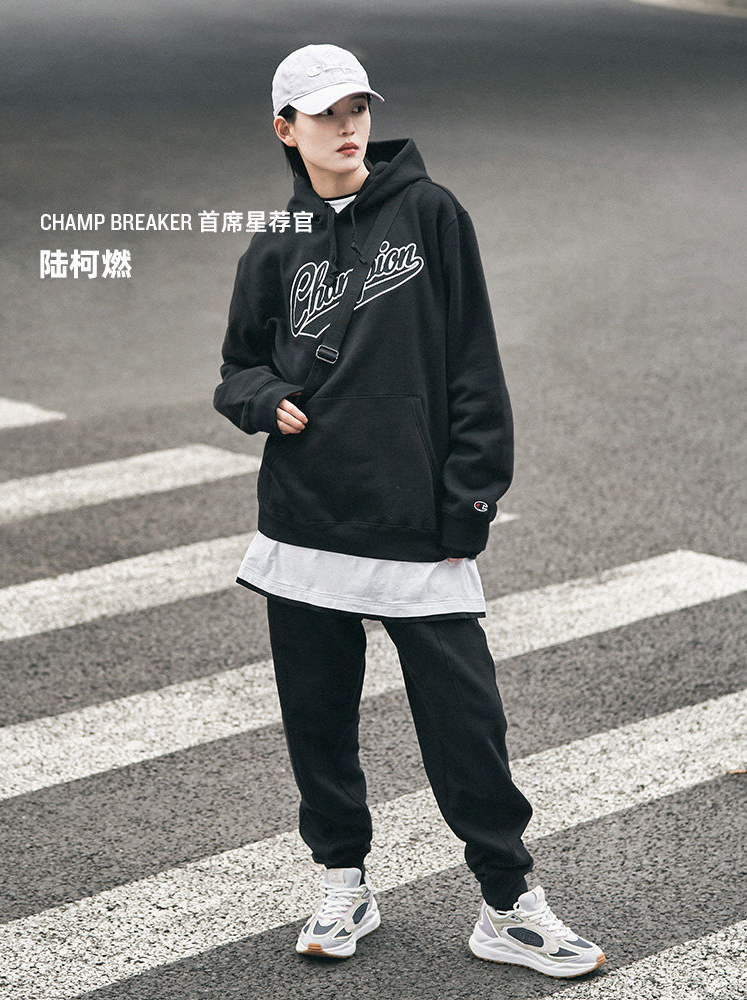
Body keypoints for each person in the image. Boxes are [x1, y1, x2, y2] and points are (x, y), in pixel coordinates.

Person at [213, 43, 605, 979]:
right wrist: (265, 399)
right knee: (318, 719)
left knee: (466, 723)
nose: (347, 126)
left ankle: (507, 902)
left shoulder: (431, 213)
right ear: (286, 129)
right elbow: (236, 368)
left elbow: (473, 357)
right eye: (325, 113)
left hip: (418, 519)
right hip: (306, 517)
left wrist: (472, 496)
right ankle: (342, 879)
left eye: (357, 107)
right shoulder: (272, 244)